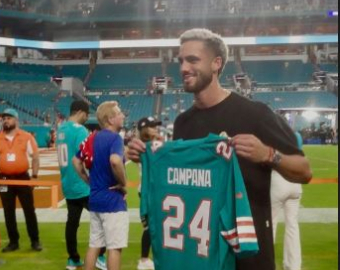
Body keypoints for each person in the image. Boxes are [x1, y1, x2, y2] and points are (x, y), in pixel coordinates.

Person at [127, 28, 312, 270]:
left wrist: (268, 154)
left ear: (216, 64)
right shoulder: (184, 122)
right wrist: (145, 157)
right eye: (181, 60)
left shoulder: (255, 114)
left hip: (248, 258)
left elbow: (304, 171)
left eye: (193, 60)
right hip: (202, 256)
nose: (183, 68)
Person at [73, 101, 128, 270]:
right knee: (114, 248)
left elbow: (76, 161)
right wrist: (122, 183)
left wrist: (87, 180)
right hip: (112, 201)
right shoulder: (115, 138)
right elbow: (115, 160)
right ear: (111, 119)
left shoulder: (92, 137)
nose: (123, 116)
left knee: (94, 244)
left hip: (95, 198)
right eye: (119, 113)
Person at [56, 100, 107, 270]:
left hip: (67, 183)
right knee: (104, 218)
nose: (87, 117)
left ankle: (73, 258)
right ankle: (100, 255)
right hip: (83, 183)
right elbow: (87, 157)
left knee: (72, 222)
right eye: (86, 114)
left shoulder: (60, 129)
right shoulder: (80, 131)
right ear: (80, 112)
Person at [0, 108, 42, 253]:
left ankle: (35, 240)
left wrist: (34, 176)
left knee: (29, 210)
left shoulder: (26, 137)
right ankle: (13, 241)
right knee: (8, 210)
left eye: (9, 118)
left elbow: (35, 157)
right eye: (4, 118)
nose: (5, 120)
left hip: (23, 178)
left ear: (16, 120)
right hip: (4, 179)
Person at [271, 130, 304, 270]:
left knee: (270, 224)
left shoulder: (274, 134)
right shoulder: (296, 135)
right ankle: (293, 265)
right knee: (292, 225)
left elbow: (274, 158)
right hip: (295, 182)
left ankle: (266, 263)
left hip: (278, 180)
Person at [136, 117, 163, 270]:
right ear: (145, 130)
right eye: (153, 127)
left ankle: (148, 258)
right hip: (148, 192)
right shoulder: (145, 146)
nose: (156, 129)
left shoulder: (150, 145)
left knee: (157, 226)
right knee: (150, 227)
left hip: (153, 190)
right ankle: (144, 260)